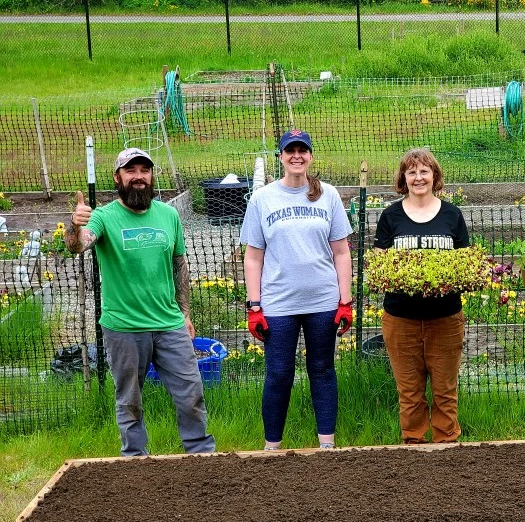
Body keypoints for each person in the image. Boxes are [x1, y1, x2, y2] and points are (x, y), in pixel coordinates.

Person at [66, 147, 215, 456]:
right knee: (130, 400)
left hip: (169, 323)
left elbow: (179, 264)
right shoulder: (104, 217)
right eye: (131, 171)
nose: (138, 177)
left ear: (151, 176)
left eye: (144, 171)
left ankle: (202, 456)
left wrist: (184, 312)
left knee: (191, 394)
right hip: (124, 327)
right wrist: (75, 225)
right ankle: (134, 461)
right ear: (117, 177)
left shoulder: (168, 214)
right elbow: (78, 246)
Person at [240, 129, 354, 450]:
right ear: (281, 157)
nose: (296, 156)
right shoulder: (263, 199)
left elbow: (342, 251)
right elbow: (253, 257)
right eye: (290, 151)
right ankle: (272, 447)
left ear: (311, 155)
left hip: (323, 302)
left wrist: (345, 302)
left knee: (322, 370)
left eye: (302, 150)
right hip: (278, 305)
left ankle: (327, 446)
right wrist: (254, 306)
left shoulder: (328, 195)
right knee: (278, 375)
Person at [375, 148, 468, 444]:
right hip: (401, 319)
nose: (418, 177)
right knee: (410, 393)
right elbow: (380, 267)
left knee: (445, 391)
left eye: (424, 171)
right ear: (403, 178)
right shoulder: (390, 216)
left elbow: (464, 264)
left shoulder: (453, 215)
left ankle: (446, 445)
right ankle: (413, 447)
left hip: (445, 319)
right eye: (412, 172)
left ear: (435, 176)